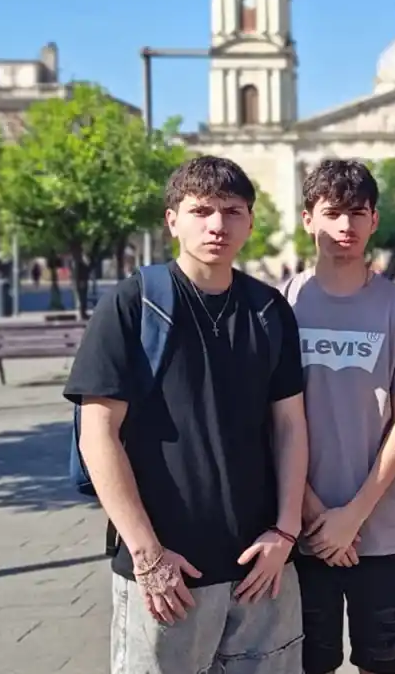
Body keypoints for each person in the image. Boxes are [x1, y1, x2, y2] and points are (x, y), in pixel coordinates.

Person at [65, 155, 309, 674]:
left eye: (232, 211)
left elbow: (290, 426)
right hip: (167, 571)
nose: (217, 225)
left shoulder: (268, 309)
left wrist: (285, 534)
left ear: (249, 220)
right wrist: (147, 556)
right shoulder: (133, 305)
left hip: (261, 568)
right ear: (172, 219)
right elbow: (98, 434)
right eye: (201, 211)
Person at [280, 158, 395, 674]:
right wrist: (313, 513)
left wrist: (353, 516)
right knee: (309, 664)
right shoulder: (280, 303)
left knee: (387, 664)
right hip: (298, 530)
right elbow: (270, 421)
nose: (345, 226)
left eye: (357, 213)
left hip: (384, 528)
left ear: (374, 220)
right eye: (332, 213)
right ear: (308, 219)